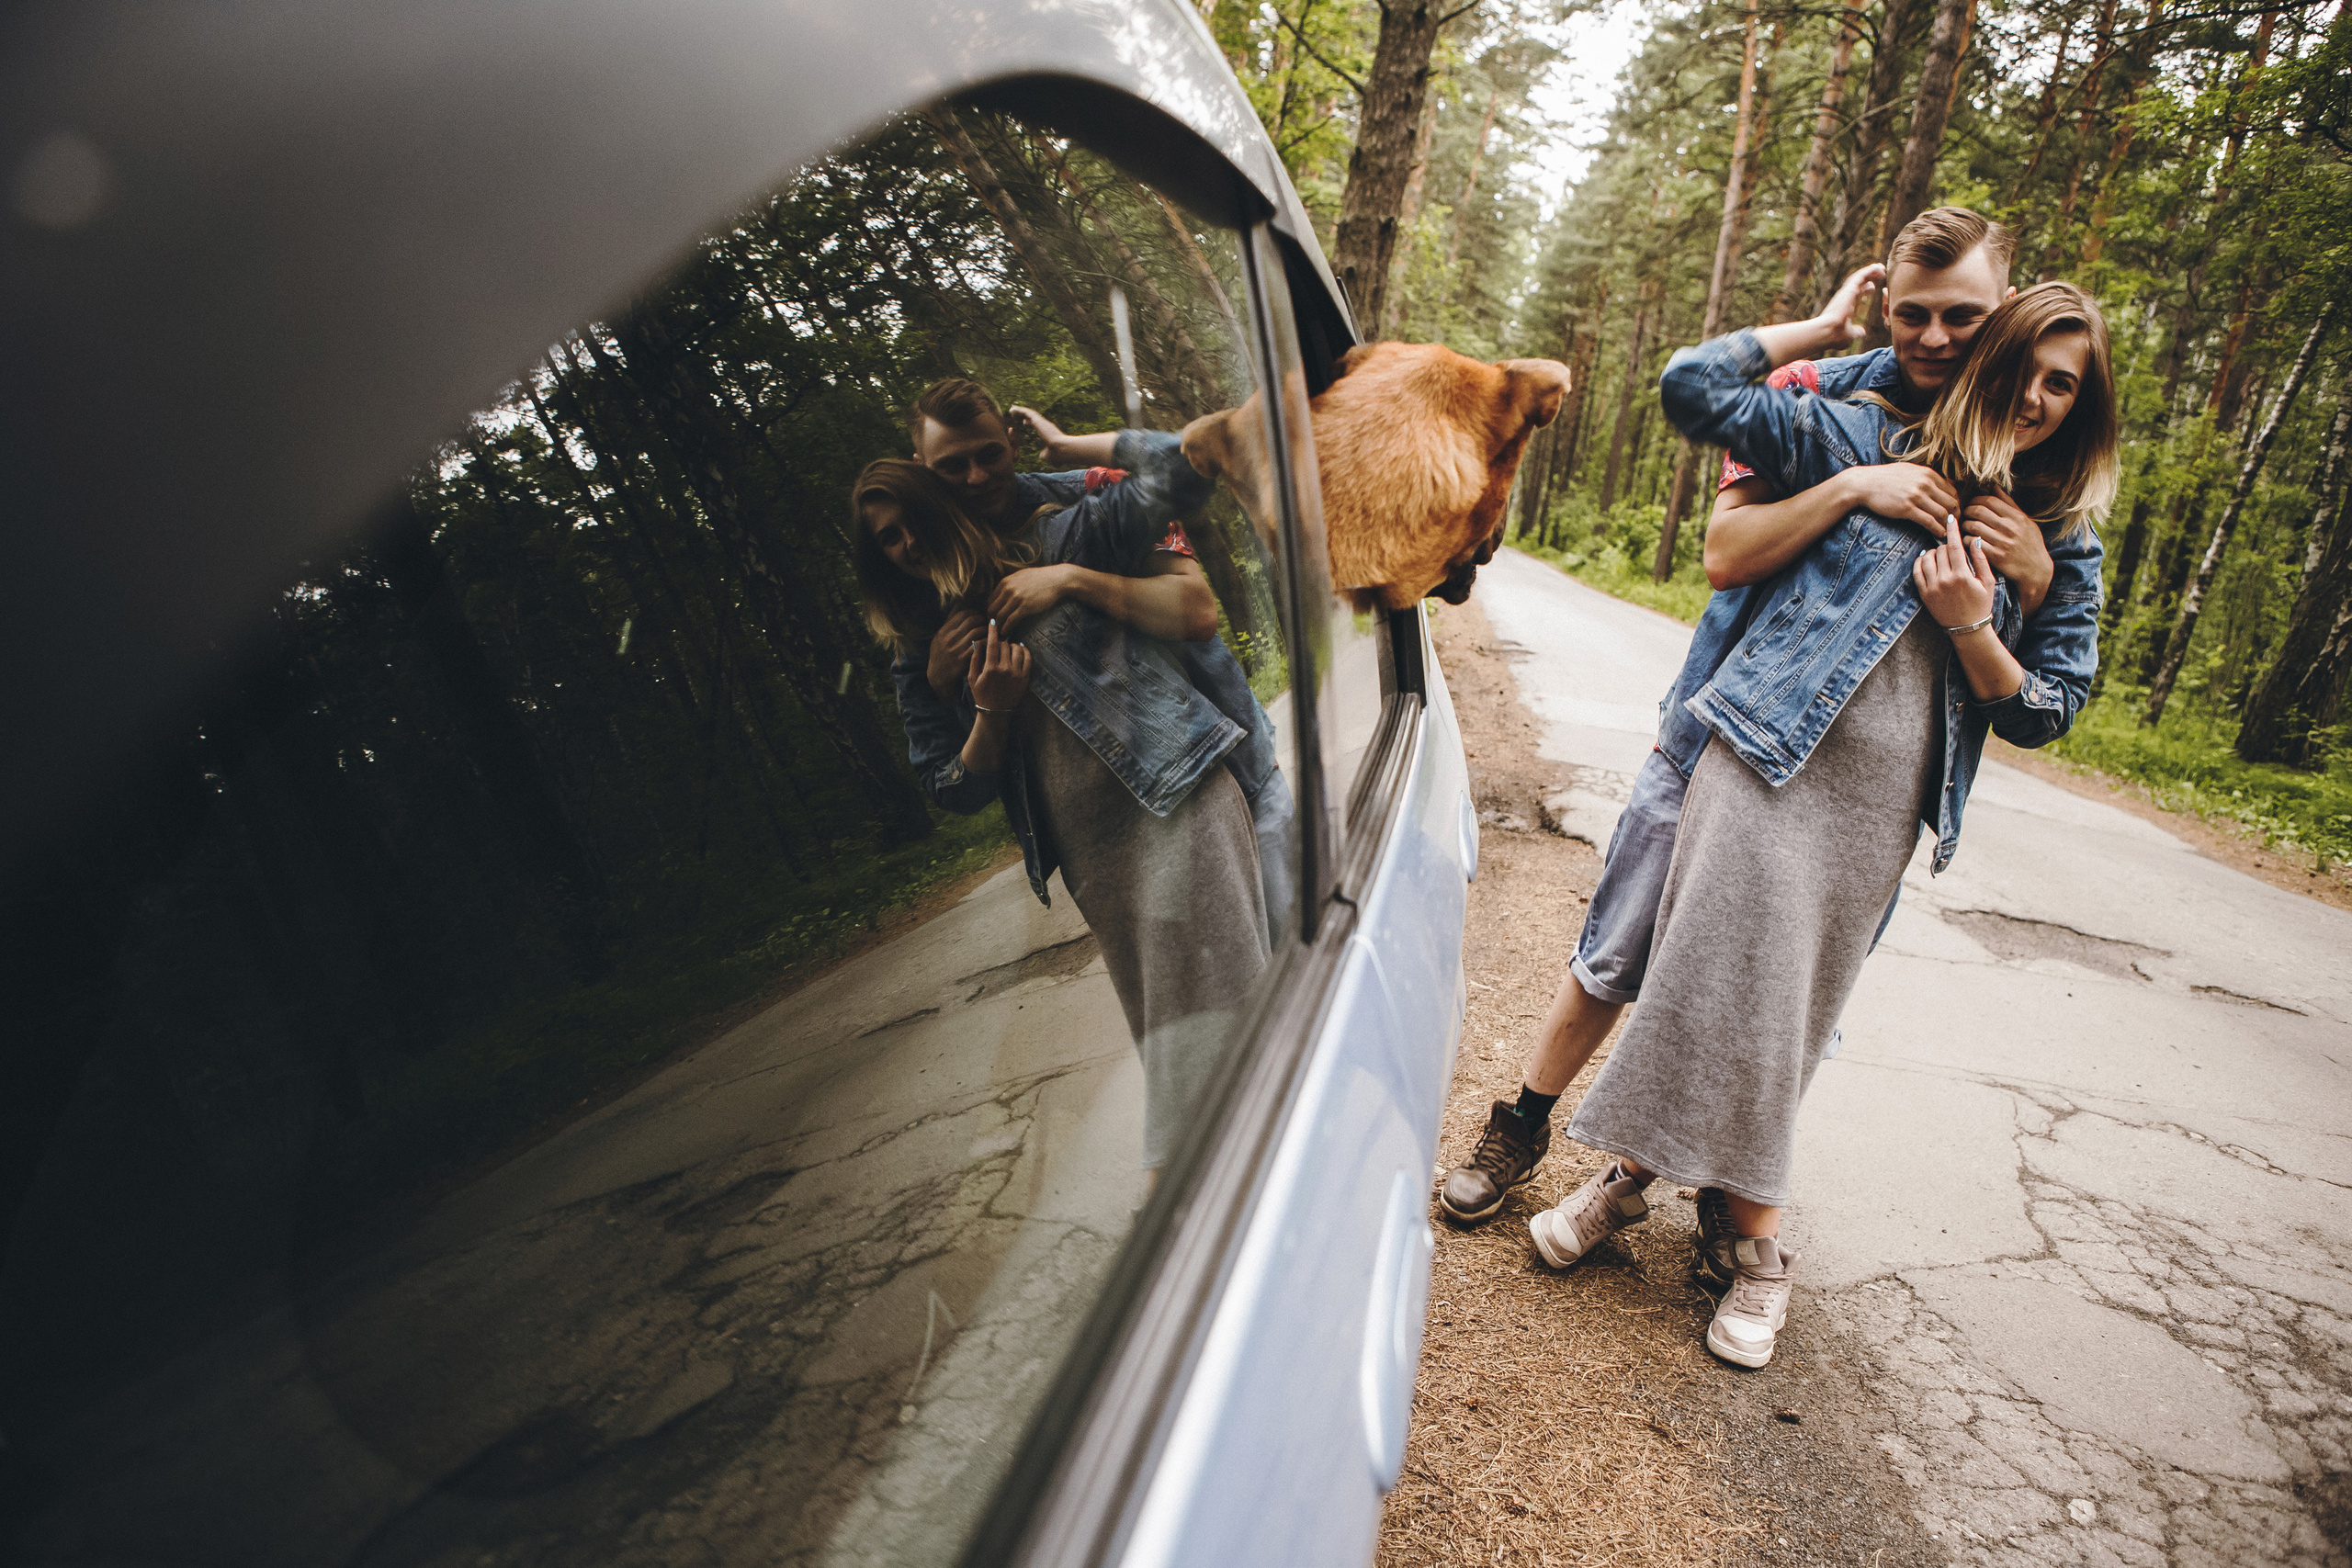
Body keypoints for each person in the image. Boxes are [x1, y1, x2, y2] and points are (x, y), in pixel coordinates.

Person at [1527, 279, 2115, 1367]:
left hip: (1881, 807)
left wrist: (1984, 619)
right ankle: (1760, 1251)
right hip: (1757, 750)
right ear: (1984, 362)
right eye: (2021, 368)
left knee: (1789, 1006)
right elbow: (1694, 387)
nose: (2034, 399)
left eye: (2061, 384)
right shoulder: (1865, 429)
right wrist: (1842, 412)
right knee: (1703, 969)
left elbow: (2046, 713)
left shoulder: (2062, 542)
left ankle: (1624, 1183)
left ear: (2084, 404)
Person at [1439, 209, 2037, 1226]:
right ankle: (1522, 1125)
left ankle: (1721, 1203)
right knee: (1619, 947)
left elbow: (2037, 663)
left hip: (1850, 794)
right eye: (1912, 314)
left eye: (1962, 316)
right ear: (1881, 306)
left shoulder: (2022, 462)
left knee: (1780, 998)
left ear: (2004, 314)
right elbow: (1725, 549)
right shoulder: (1818, 405)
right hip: (1719, 729)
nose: (1935, 338)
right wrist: (1853, 473)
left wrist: (2035, 566)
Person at [851, 447, 1271, 1172]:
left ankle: (1193, 1189)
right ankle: (1215, 1186)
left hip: (1180, 794)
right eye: (888, 537)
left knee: (1237, 1010)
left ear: (941, 507)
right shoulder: (921, 655)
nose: (908, 541)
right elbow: (953, 788)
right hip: (1091, 854)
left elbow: (1173, 484)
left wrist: (1069, 559)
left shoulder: (1053, 541)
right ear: (877, 557)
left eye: (915, 518)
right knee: (1169, 1028)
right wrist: (981, 708)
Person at [909, 378, 1295, 935]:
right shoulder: (927, 588)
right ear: (921, 467)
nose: (976, 476)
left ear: (1012, 445)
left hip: (1230, 784)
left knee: (1302, 976)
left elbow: (1196, 609)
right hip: (1109, 853)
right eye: (953, 466)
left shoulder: (1094, 494)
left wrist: (1070, 577)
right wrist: (939, 684)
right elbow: (956, 783)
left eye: (989, 454)